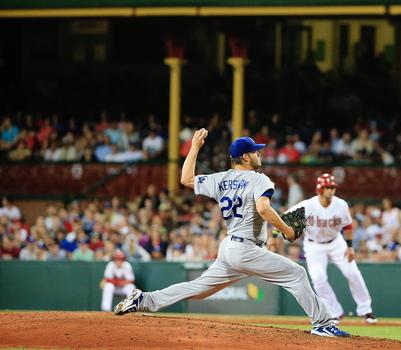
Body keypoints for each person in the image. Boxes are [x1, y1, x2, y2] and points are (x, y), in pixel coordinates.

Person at [114, 133, 349, 337]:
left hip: (230, 248)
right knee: (296, 273)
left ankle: (144, 300)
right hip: (245, 248)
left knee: (198, 288)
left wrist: (195, 147)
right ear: (246, 157)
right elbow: (264, 208)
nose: (260, 155)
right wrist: (287, 230)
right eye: (256, 152)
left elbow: (185, 179)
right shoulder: (259, 179)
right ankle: (323, 323)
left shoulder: (221, 178)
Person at [281, 173, 377, 325]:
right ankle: (334, 312)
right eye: (327, 187)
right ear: (320, 188)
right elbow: (285, 218)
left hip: (336, 243)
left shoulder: (341, 204)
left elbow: (348, 226)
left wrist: (350, 247)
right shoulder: (308, 205)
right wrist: (273, 236)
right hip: (314, 245)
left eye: (332, 187)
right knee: (318, 279)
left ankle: (366, 310)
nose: (331, 190)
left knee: (353, 273)